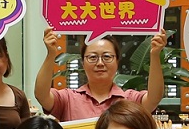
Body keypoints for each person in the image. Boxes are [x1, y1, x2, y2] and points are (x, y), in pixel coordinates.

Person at [33, 31, 166, 120]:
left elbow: (154, 98)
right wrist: (51, 53)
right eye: (92, 57)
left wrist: (154, 54)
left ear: (117, 62)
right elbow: (41, 95)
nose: (100, 63)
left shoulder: (130, 100)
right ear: (83, 63)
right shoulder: (68, 99)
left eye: (107, 57)